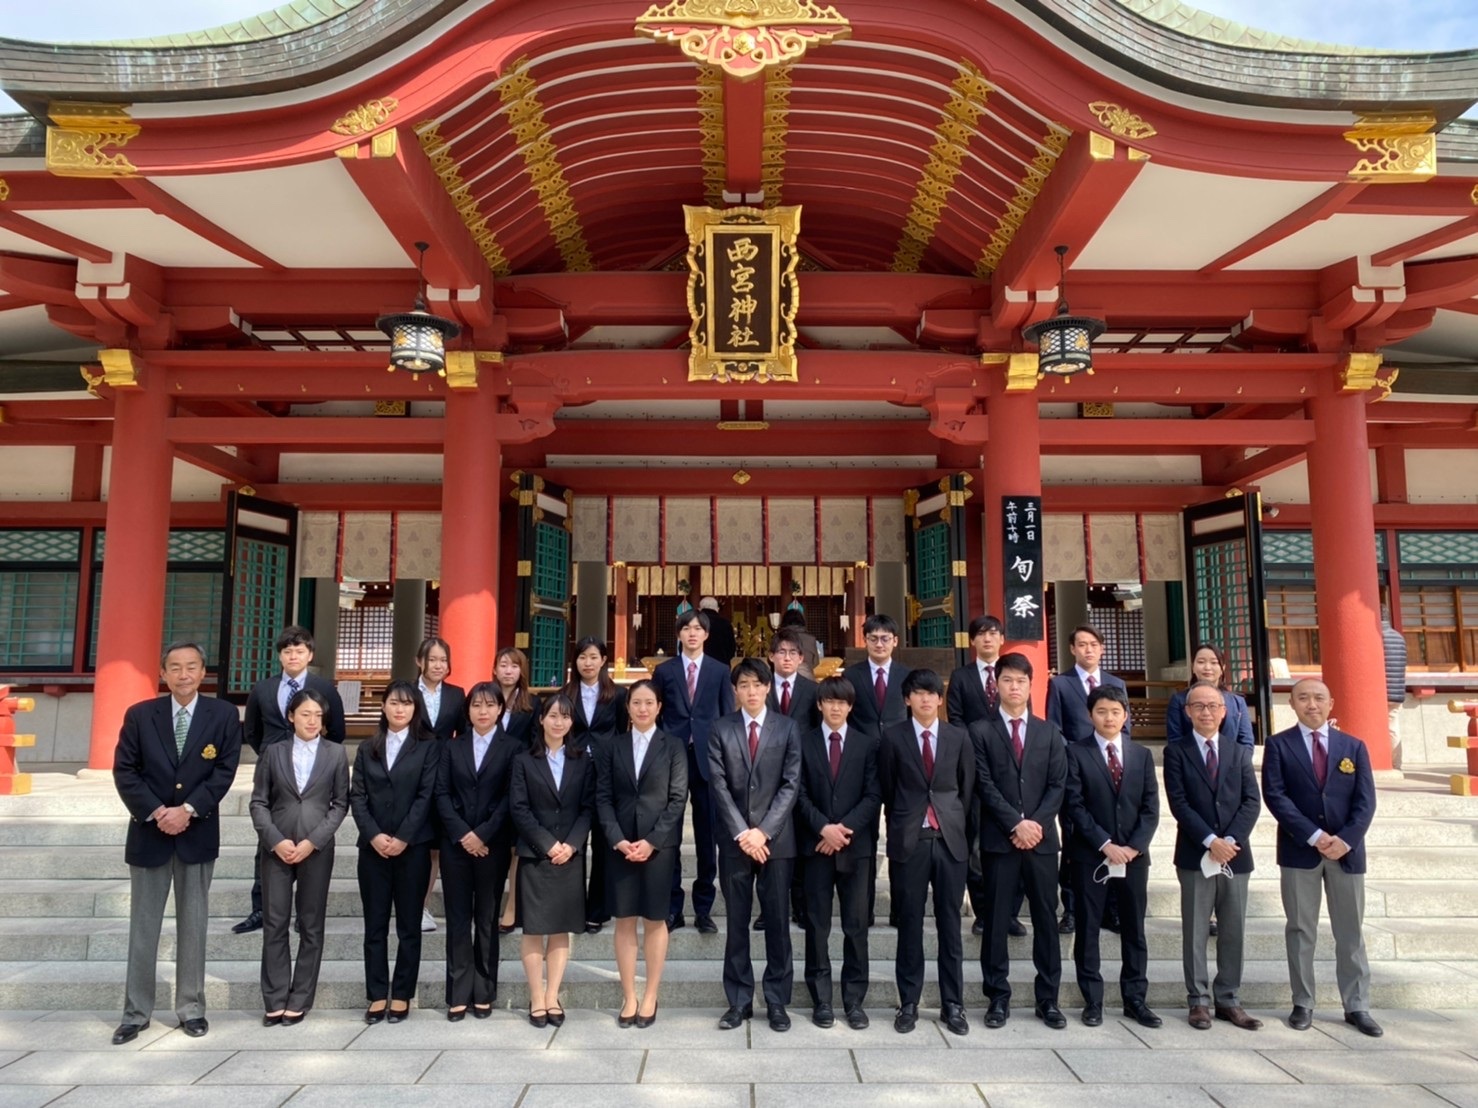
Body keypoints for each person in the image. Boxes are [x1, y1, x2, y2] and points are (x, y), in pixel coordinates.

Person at [110, 641, 242, 1044]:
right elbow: (125, 770)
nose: (184, 675)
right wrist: (157, 811)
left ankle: (191, 1008)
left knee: (194, 925)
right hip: (149, 832)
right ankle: (135, 1012)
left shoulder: (222, 715)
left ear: (204, 672)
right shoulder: (139, 715)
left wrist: (187, 809)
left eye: (192, 667)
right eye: (175, 668)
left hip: (196, 832)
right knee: (144, 927)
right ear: (162, 674)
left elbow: (224, 769)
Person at [1261, 678, 1381, 1037]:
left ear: (1331, 704)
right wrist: (1314, 835)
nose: (1311, 704)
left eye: (1318, 698)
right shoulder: (1278, 745)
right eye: (1303, 698)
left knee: (1351, 931)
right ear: (1292, 704)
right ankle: (1303, 1001)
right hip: (1300, 850)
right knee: (1300, 929)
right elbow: (1276, 796)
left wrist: (1345, 839)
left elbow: (1365, 801)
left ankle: (1357, 1005)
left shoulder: (1353, 746)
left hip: (1347, 853)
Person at [969, 652, 1068, 1031]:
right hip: (1000, 839)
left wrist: (1036, 824)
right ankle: (997, 996)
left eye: (1021, 681)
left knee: (1045, 917)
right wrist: (1015, 823)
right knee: (996, 920)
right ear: (996, 685)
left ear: (1031, 685)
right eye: (1007, 680)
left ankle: (1049, 999)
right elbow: (984, 784)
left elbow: (1058, 784)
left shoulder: (1049, 732)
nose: (1014, 687)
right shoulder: (980, 731)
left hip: (1041, 842)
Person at [879, 668, 974, 1036]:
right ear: (907, 700)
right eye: (917, 693)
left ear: (940, 698)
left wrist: (950, 820)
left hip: (950, 840)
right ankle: (909, 1002)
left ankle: (953, 1004)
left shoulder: (958, 737)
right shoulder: (893, 738)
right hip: (910, 839)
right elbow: (889, 787)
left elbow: (966, 789)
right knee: (910, 926)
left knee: (950, 926)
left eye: (931, 693)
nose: (924, 699)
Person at [1163, 681, 1263, 1031]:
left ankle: (1229, 998)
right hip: (1195, 852)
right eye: (1198, 706)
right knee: (1195, 929)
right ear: (1187, 712)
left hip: (1236, 854)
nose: (1206, 712)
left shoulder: (1237, 752)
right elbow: (1179, 802)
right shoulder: (1175, 752)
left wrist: (1231, 839)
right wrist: (1209, 840)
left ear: (1225, 712)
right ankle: (1198, 1000)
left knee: (1233, 928)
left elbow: (1252, 800)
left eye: (1213, 706)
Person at [710, 658, 803, 1032]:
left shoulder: (787, 727)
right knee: (736, 923)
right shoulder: (721, 728)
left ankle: (777, 1000)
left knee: (778, 922)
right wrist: (742, 833)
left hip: (776, 842)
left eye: (757, 684)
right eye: (743, 685)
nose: (750, 691)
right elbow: (717, 784)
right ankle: (738, 1000)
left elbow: (791, 783)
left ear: (768, 688)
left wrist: (763, 831)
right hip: (735, 843)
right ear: (735, 690)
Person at [235, 625, 346, 935]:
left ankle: (303, 914)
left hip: (314, 777)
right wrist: (273, 757)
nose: (293, 655)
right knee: (267, 842)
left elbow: (336, 731)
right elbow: (252, 731)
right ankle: (261, 909)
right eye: (287, 651)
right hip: (274, 774)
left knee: (311, 842)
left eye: (299, 651)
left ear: (310, 654)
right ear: (280, 656)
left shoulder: (325, 689)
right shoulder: (263, 688)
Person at [249, 687, 350, 1026]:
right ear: (291, 716)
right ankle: (275, 998)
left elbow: (340, 804)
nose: (312, 720)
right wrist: (274, 840)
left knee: (311, 924)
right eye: (305, 714)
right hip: (276, 847)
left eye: (318, 716)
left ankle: (300, 997)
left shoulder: (336, 754)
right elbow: (259, 802)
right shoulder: (273, 752)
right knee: (275, 922)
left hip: (316, 849)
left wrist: (314, 840)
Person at [1064, 684, 1160, 1029]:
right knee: (1088, 928)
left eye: (1116, 711)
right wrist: (1105, 844)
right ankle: (1093, 999)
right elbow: (1074, 805)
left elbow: (1150, 808)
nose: (1109, 717)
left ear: (1125, 715)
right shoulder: (1076, 753)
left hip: (1134, 858)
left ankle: (1135, 998)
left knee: (1134, 929)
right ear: (1090, 715)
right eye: (1101, 711)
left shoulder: (1142, 755)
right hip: (1092, 856)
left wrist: (1133, 848)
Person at [594, 678, 687, 1028]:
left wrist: (652, 841)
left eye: (649, 702)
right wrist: (617, 839)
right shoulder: (611, 746)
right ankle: (629, 995)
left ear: (659, 707)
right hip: (620, 845)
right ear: (628, 708)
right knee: (624, 919)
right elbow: (602, 797)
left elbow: (678, 798)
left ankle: (650, 994)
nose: (643, 708)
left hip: (658, 846)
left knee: (654, 918)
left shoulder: (674, 746)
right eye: (636, 703)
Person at [350, 681, 442, 1024]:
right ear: (383, 707)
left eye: (406, 703)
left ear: (416, 708)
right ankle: (376, 993)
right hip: (372, 849)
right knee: (374, 926)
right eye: (393, 703)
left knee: (408, 926)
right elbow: (356, 797)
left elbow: (426, 795)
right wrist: (373, 835)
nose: (399, 709)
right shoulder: (368, 747)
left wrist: (403, 836)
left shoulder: (428, 747)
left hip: (413, 848)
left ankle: (402, 993)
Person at [795, 675, 879, 1030]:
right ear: (819, 705)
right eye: (829, 701)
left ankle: (854, 1000)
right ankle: (822, 999)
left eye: (842, 702)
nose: (836, 707)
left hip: (855, 849)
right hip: (815, 848)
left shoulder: (867, 744)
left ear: (850, 706)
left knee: (856, 926)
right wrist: (822, 828)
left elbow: (874, 795)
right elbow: (797, 793)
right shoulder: (803, 742)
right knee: (816, 925)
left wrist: (842, 831)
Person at [508, 693, 595, 1027]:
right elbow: (519, 808)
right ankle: (535, 996)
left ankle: (552, 995)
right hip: (535, 854)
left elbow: (588, 808)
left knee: (560, 930)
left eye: (566, 717)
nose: (559, 722)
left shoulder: (582, 760)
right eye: (553, 716)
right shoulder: (523, 760)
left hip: (570, 857)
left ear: (572, 722)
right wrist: (548, 844)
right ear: (541, 719)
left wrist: (571, 845)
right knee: (534, 929)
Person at [436, 681, 519, 1020]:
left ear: (500, 709)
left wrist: (482, 834)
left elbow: (510, 797)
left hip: (492, 845)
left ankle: (483, 990)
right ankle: (458, 991)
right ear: (467, 711)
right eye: (476, 706)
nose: (482, 712)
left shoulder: (513, 747)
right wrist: (462, 834)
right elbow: (441, 794)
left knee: (486, 918)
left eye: (489, 705)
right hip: (455, 845)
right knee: (457, 919)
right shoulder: (452, 747)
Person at [652, 609, 735, 932]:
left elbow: (727, 717)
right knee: (670, 834)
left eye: (698, 628)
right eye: (686, 628)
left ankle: (703, 908)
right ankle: (673, 907)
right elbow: (657, 716)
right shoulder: (665, 671)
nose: (692, 633)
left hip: (707, 759)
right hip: (672, 759)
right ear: (679, 634)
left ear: (706, 635)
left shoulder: (719, 671)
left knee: (707, 835)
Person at [1046, 624, 1130, 935]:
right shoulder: (1061, 684)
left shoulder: (1115, 683)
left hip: (1112, 775)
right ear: (1072, 649)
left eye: (1093, 644)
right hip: (1076, 772)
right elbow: (1055, 728)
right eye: (1081, 644)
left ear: (1102, 648)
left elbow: (1126, 729)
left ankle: (1112, 909)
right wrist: (1078, 758)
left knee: (1111, 836)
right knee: (1073, 841)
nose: (1088, 649)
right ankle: (1070, 909)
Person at [947, 614, 1012, 937]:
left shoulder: (1012, 675)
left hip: (1009, 769)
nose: (987, 639)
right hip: (971, 769)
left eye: (993, 633)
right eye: (981, 634)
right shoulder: (961, 677)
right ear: (971, 641)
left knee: (1009, 842)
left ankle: (1009, 912)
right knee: (974, 842)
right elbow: (955, 719)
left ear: (1002, 638)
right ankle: (983, 911)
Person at [843, 613, 906, 928]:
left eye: (885, 638)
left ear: (895, 641)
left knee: (900, 836)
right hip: (861, 764)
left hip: (899, 765)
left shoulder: (908, 677)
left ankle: (899, 908)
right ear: (864, 641)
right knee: (863, 838)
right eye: (873, 638)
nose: (879, 643)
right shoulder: (851, 677)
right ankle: (862, 908)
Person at [564, 636, 628, 934]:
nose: (587, 663)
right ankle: (571, 906)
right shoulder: (566, 694)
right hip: (573, 770)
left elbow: (619, 733)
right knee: (573, 839)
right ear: (574, 661)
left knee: (603, 842)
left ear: (604, 660)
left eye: (593, 657)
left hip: (606, 773)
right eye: (582, 657)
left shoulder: (618, 695)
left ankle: (598, 909)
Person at [763, 625, 819, 930]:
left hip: (801, 775)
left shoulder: (813, 692)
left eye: (793, 653)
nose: (787, 657)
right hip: (766, 775)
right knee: (768, 843)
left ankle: (799, 905)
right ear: (771, 656)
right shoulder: (761, 687)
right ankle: (768, 909)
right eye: (781, 652)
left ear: (802, 659)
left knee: (798, 841)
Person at [416, 635, 465, 934]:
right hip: (413, 773)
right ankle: (408, 902)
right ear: (419, 661)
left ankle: (421, 905)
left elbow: (464, 735)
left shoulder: (457, 695)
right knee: (414, 842)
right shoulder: (407, 692)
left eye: (443, 660)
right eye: (432, 659)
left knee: (434, 846)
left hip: (445, 775)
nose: (438, 665)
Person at [494, 645, 541, 933]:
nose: (508, 670)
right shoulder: (483, 697)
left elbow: (537, 743)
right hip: (486, 780)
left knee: (515, 846)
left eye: (514, 665)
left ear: (521, 670)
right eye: (503, 664)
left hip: (518, 779)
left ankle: (512, 906)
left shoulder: (532, 704)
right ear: (494, 668)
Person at [1165, 644, 1255, 747]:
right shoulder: (1179, 700)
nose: (1207, 667)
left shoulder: (1237, 702)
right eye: (1201, 662)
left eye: (1214, 662)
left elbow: (1246, 743)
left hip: (1232, 762)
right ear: (1193, 667)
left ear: (1223, 668)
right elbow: (1175, 741)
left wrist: (1234, 762)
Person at [1382, 617, 1408, 770]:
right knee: (1393, 727)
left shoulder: (1376, 637)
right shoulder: (1398, 637)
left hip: (1381, 690)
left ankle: (1381, 761)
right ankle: (1396, 763)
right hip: (1397, 689)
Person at [780, 608, 820, 680]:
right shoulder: (811, 639)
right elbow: (816, 662)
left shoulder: (778, 638)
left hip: (783, 678)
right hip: (807, 677)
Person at [699, 595, 737, 665]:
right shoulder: (725, 624)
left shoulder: (694, 622)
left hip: (698, 665)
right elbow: (731, 648)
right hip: (721, 664)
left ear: (700, 608)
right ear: (717, 609)